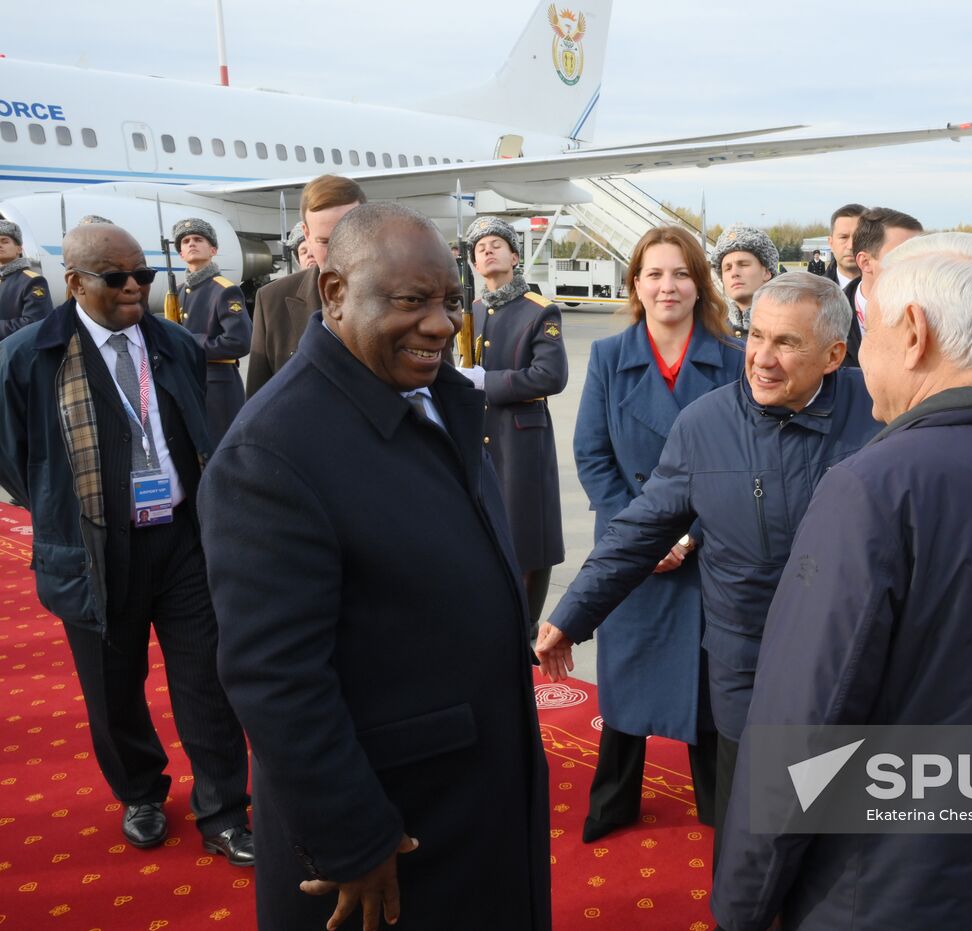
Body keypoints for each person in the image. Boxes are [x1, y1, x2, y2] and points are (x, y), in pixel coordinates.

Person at [710, 232, 972, 930]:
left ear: (913, 334)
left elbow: (804, 723)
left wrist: (742, 903)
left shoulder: (874, 486)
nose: (863, 354)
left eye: (869, 327)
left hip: (872, 889)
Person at [199, 203, 550, 931]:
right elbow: (276, 678)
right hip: (392, 827)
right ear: (332, 293)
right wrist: (352, 836)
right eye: (409, 301)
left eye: (450, 300)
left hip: (473, 793)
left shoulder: (437, 400)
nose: (439, 322)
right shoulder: (273, 452)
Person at [536, 272, 879, 863]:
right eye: (757, 337)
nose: (763, 360)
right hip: (744, 660)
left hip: (848, 659)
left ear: (834, 355)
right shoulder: (704, 424)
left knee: (838, 831)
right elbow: (639, 531)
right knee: (754, 831)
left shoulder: (879, 414)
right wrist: (571, 615)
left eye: (786, 343)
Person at [0, 222, 253, 864]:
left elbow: (199, 429)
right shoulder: (31, 355)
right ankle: (141, 792)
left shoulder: (173, 344)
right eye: (118, 278)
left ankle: (224, 810)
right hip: (94, 553)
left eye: (144, 274)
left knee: (206, 679)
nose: (135, 287)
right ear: (77, 282)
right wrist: (61, 508)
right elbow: (12, 457)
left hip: (183, 541)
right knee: (114, 690)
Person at [559, 225, 744, 843]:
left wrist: (686, 537)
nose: (668, 286)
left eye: (681, 273)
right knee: (628, 678)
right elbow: (593, 456)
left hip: (708, 549)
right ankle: (613, 803)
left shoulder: (733, 360)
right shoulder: (612, 357)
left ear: (700, 283)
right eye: (654, 274)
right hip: (631, 550)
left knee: (709, 686)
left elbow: (742, 458)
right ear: (635, 283)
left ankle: (719, 806)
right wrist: (641, 537)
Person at [459, 215, 568, 629]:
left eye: (496, 244)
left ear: (515, 256)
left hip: (521, 438)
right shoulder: (474, 310)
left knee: (527, 539)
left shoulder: (539, 311)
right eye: (479, 248)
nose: (486, 250)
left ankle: (523, 630)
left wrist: (488, 382)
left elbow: (550, 377)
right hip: (482, 435)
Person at [247, 174, 365, 396]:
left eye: (349, 237)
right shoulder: (273, 301)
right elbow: (259, 402)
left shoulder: (406, 294)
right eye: (325, 242)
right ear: (307, 235)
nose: (338, 251)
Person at [171, 217, 250, 446]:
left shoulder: (225, 290)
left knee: (221, 450)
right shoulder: (177, 292)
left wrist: (190, 343)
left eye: (198, 239)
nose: (191, 243)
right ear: (181, 255)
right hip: (189, 383)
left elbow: (239, 342)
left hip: (219, 387)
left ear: (213, 249)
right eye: (185, 241)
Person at [843, 207, 924, 367]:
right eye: (903, 257)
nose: (917, 267)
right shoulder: (826, 320)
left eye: (920, 256)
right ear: (865, 262)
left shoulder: (938, 318)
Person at [711, 223, 780, 338]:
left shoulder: (787, 324)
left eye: (743, 265)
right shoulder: (712, 331)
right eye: (727, 268)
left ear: (767, 272)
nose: (734, 273)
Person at [0, 219, 51, 341]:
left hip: (13, 355)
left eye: (4, 241)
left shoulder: (33, 281)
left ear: (19, 249)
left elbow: (35, 324)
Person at [824, 202, 865, 294]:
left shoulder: (891, 292)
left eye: (858, 238)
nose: (851, 246)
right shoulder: (812, 295)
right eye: (843, 237)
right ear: (831, 243)